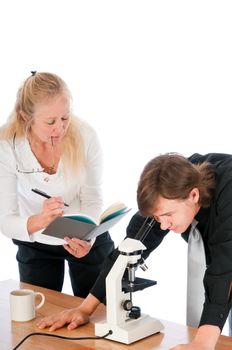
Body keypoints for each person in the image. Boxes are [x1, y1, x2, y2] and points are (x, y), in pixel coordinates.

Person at [37, 152, 232, 349]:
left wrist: (202, 343)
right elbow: (128, 249)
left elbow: (224, 270)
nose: (163, 226)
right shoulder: (170, 186)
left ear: (194, 195)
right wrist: (85, 309)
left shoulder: (225, 196)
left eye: (168, 215)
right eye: (157, 218)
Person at [0, 71, 114, 297]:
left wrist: (88, 239)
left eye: (65, 118)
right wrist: (39, 220)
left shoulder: (85, 136)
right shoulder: (7, 144)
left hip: (85, 235)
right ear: (26, 118)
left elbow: (92, 198)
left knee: (99, 316)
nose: (60, 129)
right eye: (50, 122)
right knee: (38, 317)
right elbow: (5, 220)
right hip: (35, 240)